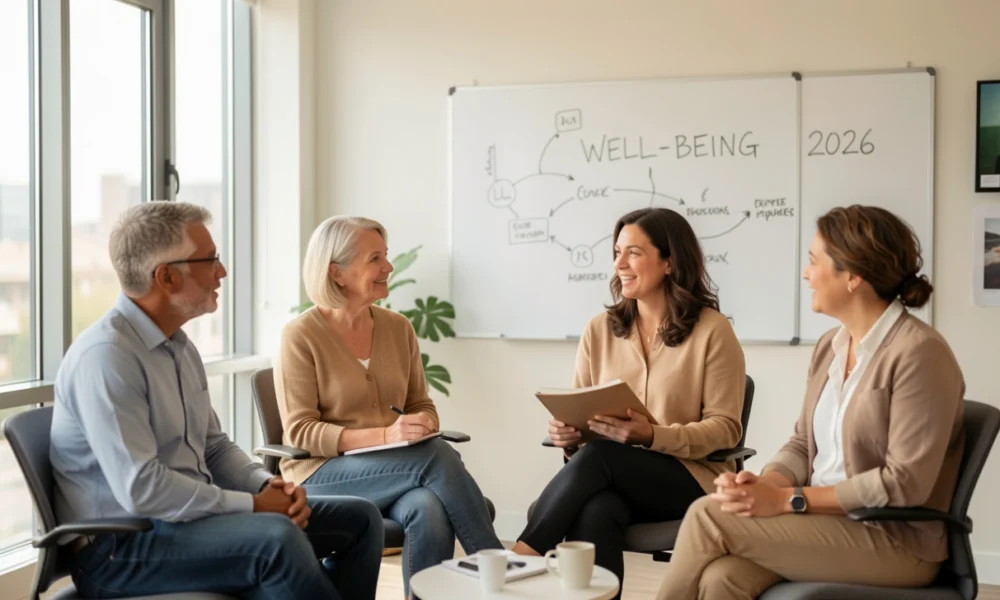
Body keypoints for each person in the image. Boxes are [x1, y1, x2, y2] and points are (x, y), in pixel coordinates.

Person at [50, 202, 384, 599]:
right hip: (123, 550)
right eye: (211, 260)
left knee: (362, 519)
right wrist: (255, 507)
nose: (222, 272)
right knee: (277, 539)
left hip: (186, 523)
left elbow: (213, 447)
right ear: (167, 276)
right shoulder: (107, 357)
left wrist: (268, 485)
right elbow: (143, 489)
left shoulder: (178, 346)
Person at [656, 205, 965, 600]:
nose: (806, 273)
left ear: (853, 275)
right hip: (826, 524)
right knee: (723, 577)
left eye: (813, 261)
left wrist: (787, 499)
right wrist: (764, 484)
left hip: (895, 540)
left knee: (707, 514)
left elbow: (905, 484)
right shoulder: (829, 348)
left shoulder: (919, 353)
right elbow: (803, 444)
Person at [511, 207, 746, 597]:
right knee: (596, 509)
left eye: (633, 253)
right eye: (617, 252)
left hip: (692, 479)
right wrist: (568, 435)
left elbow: (726, 428)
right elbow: (582, 415)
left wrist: (652, 436)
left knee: (604, 455)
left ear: (670, 262)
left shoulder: (713, 332)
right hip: (614, 477)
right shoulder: (599, 330)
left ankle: (525, 552)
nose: (619, 264)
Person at [273, 215, 503, 595]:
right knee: (437, 457)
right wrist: (384, 434)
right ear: (338, 273)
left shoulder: (399, 328)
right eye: (374, 259)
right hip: (321, 474)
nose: (388, 267)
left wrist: (423, 424)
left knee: (428, 509)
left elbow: (421, 403)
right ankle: (498, 568)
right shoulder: (300, 336)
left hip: (399, 470)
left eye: (386, 256)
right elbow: (300, 431)